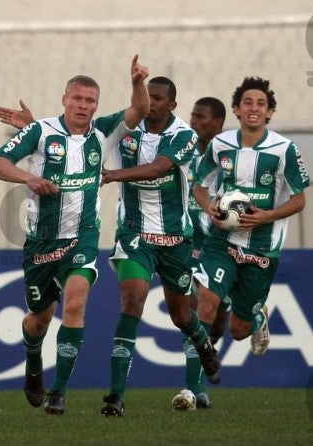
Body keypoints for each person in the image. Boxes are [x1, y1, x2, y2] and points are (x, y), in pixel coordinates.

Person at [0, 55, 150, 415]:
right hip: (42, 242)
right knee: (39, 319)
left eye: (90, 101)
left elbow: (139, 111)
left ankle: (58, 392)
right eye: (77, 98)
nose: (83, 106)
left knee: (75, 303)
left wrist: (138, 82)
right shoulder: (40, 132)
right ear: (64, 99)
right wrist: (28, 178)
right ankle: (33, 358)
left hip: (83, 238)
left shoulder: (103, 131)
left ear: (97, 105)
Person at [99, 77, 221, 417]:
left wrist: (111, 175)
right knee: (133, 299)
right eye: (146, 96)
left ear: (172, 105)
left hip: (174, 240)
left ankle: (204, 345)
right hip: (135, 235)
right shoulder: (123, 125)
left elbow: (158, 169)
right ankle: (116, 396)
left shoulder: (184, 135)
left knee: (183, 315)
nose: (150, 102)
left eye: (158, 98)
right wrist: (35, 126)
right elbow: (77, 132)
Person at [192, 77, 309, 380]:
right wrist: (209, 209)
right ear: (236, 109)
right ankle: (190, 389)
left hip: (262, 246)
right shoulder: (221, 144)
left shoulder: (284, 149)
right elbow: (200, 187)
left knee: (239, 330)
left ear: (270, 112)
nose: (254, 108)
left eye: (261, 104)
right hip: (222, 240)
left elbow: (299, 200)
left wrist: (266, 216)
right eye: (248, 103)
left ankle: (256, 316)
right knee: (206, 302)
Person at [171, 97, 229, 411]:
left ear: (217, 122)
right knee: (197, 308)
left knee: (219, 319)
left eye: (201, 117)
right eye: (192, 115)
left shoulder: (230, 155)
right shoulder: (182, 151)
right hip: (187, 239)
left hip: (221, 244)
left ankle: (251, 312)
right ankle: (193, 388)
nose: (193, 121)